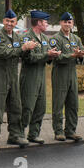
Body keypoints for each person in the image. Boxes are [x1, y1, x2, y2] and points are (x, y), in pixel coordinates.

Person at [0, 9, 37, 150]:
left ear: (15, 23)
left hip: (13, 75)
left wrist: (29, 49)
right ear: (3, 21)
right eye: (7, 21)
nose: (9, 23)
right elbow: (4, 53)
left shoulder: (17, 37)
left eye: (12, 21)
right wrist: (23, 48)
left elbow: (23, 55)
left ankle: (14, 135)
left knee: (15, 106)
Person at [20, 11, 60, 144]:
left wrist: (52, 55)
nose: (47, 24)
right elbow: (29, 58)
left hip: (41, 76)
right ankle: (20, 134)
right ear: (38, 23)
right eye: (45, 22)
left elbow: (46, 57)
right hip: (30, 76)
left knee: (40, 107)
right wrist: (46, 54)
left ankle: (34, 134)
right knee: (27, 107)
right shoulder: (26, 37)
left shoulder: (44, 38)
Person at [50, 12, 84, 142]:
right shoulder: (55, 38)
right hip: (60, 74)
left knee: (73, 104)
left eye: (69, 22)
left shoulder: (76, 39)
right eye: (65, 22)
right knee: (58, 104)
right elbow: (57, 57)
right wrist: (72, 55)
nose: (67, 24)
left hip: (72, 74)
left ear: (72, 24)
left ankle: (71, 131)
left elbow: (82, 52)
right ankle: (58, 132)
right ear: (60, 23)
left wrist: (81, 54)